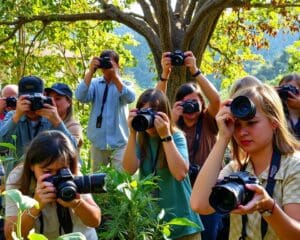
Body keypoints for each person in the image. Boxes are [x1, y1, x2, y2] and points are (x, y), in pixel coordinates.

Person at [190, 84, 300, 240]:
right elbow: (199, 205)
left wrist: (268, 207)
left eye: (251, 123)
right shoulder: (237, 168)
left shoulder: (294, 166)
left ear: (274, 122)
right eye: (237, 124)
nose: (242, 132)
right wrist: (223, 138)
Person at [122, 88, 203, 240]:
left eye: (152, 113)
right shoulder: (141, 140)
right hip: (152, 225)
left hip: (183, 224)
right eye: (143, 112)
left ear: (165, 113)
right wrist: (132, 133)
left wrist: (165, 136)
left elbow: (179, 173)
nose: (148, 119)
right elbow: (128, 170)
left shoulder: (176, 136)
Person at [157, 51, 221, 240]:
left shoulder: (208, 122)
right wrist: (164, 75)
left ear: (202, 104)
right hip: (183, 194)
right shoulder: (172, 128)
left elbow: (216, 99)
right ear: (176, 105)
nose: (190, 107)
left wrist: (194, 70)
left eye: (194, 102)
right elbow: (155, 103)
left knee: (209, 236)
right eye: (185, 103)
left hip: (209, 192)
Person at [4, 130, 101, 239]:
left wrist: (77, 204)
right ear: (31, 166)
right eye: (47, 171)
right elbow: (10, 236)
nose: (56, 177)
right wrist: (36, 206)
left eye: (62, 170)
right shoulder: (18, 179)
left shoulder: (73, 175)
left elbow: (95, 221)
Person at [75, 49, 136, 172]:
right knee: (96, 183)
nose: (107, 67)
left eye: (111, 64)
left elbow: (130, 98)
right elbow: (80, 96)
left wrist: (115, 77)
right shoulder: (94, 84)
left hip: (120, 142)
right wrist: (91, 71)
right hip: (98, 142)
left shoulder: (125, 84)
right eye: (105, 63)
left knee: (121, 182)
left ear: (118, 65)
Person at [0, 76, 77, 162]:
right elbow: (1, 146)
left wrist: (57, 122)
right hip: (17, 173)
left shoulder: (51, 117)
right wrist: (16, 117)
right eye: (27, 99)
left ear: (43, 96)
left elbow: (72, 150)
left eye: (34, 99)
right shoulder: (12, 116)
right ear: (19, 99)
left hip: (46, 173)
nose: (31, 104)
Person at [45, 83, 83, 151]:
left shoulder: (74, 126)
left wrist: (57, 122)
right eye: (50, 99)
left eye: (57, 99)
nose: (53, 102)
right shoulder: (44, 121)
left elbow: (71, 149)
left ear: (69, 102)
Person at [277, 73, 300, 140]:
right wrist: (270, 94)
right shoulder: (277, 115)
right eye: (284, 88)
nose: (288, 92)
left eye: (292, 89)